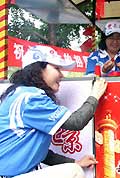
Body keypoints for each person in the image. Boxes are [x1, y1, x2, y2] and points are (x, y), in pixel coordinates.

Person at [0, 45, 107, 178]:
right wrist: (94, 95)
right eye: (57, 68)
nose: (61, 75)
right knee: (74, 172)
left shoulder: (18, 93)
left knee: (74, 167)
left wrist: (75, 161)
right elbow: (75, 122)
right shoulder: (31, 98)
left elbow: (40, 153)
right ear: (38, 69)